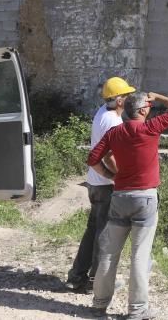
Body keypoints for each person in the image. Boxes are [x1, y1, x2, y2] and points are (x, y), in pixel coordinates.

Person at [86, 90, 168, 320]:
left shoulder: (114, 132)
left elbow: (93, 159)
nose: (150, 109)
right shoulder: (150, 128)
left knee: (109, 254)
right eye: (148, 107)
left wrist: (112, 176)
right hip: (146, 199)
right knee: (140, 256)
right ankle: (137, 310)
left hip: (120, 197)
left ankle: (99, 305)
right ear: (142, 111)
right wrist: (158, 96)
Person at [63, 76, 136, 293]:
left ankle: (77, 277)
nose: (131, 98)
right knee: (104, 235)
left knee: (93, 231)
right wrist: (119, 176)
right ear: (120, 100)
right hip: (105, 185)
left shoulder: (102, 112)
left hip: (95, 184)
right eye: (128, 95)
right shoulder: (113, 121)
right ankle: (96, 283)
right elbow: (107, 155)